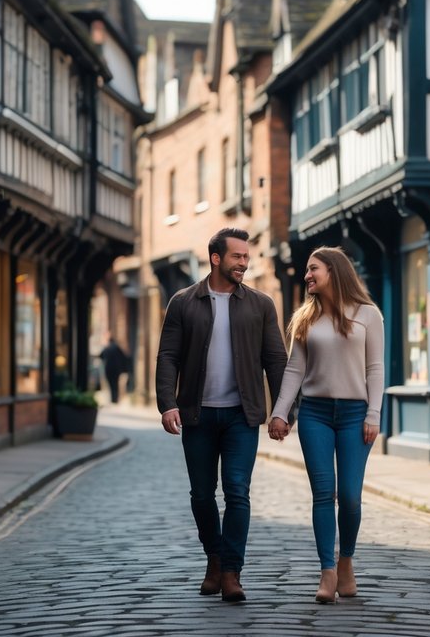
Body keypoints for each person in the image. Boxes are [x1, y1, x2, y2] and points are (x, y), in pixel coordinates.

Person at [156, 227, 288, 603]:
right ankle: (213, 557)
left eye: (246, 257)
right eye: (237, 257)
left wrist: (282, 410)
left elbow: (276, 359)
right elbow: (168, 356)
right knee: (201, 495)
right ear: (216, 259)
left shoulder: (261, 304)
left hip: (240, 417)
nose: (244, 263)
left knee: (237, 492)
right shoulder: (183, 302)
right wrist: (167, 402)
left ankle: (231, 571)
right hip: (196, 415)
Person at [268, 246, 384, 604]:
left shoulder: (368, 314)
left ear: (334, 271)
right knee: (323, 494)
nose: (307, 276)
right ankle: (326, 572)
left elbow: (375, 368)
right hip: (315, 414)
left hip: (354, 416)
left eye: (312, 269)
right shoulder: (305, 318)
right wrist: (280, 412)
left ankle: (345, 561)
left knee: (349, 496)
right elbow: (294, 370)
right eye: (306, 270)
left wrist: (374, 414)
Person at [99, 335, 130, 405]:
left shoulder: (107, 348)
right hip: (116, 369)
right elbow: (124, 357)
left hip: (108, 369)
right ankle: (115, 399)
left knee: (111, 384)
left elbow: (100, 356)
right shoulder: (116, 347)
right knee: (115, 384)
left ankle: (113, 399)